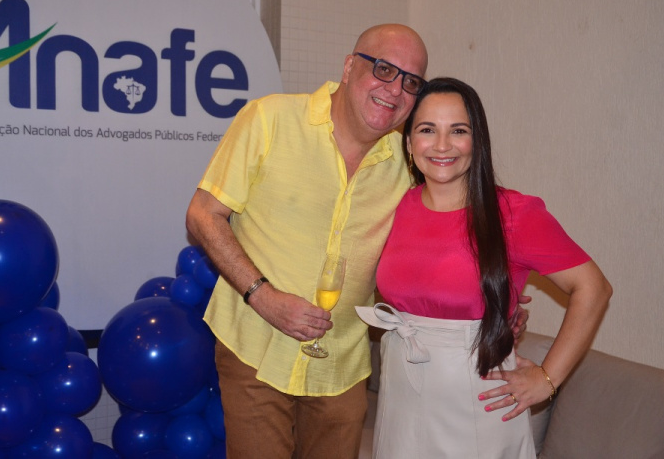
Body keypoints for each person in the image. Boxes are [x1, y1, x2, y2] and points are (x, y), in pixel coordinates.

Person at [185, 25, 527, 458]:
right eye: (383, 69)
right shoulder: (270, 119)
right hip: (256, 347)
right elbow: (203, 214)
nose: (395, 89)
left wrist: (495, 301)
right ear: (349, 67)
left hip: (342, 364)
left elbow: (442, 240)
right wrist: (262, 295)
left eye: (411, 81)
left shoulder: (411, 160)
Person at [357, 77, 613, 458]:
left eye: (458, 131)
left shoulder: (514, 213)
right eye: (427, 130)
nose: (442, 145)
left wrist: (547, 378)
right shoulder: (398, 206)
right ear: (408, 143)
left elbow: (593, 288)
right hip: (400, 398)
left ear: (477, 143)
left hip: (476, 403)